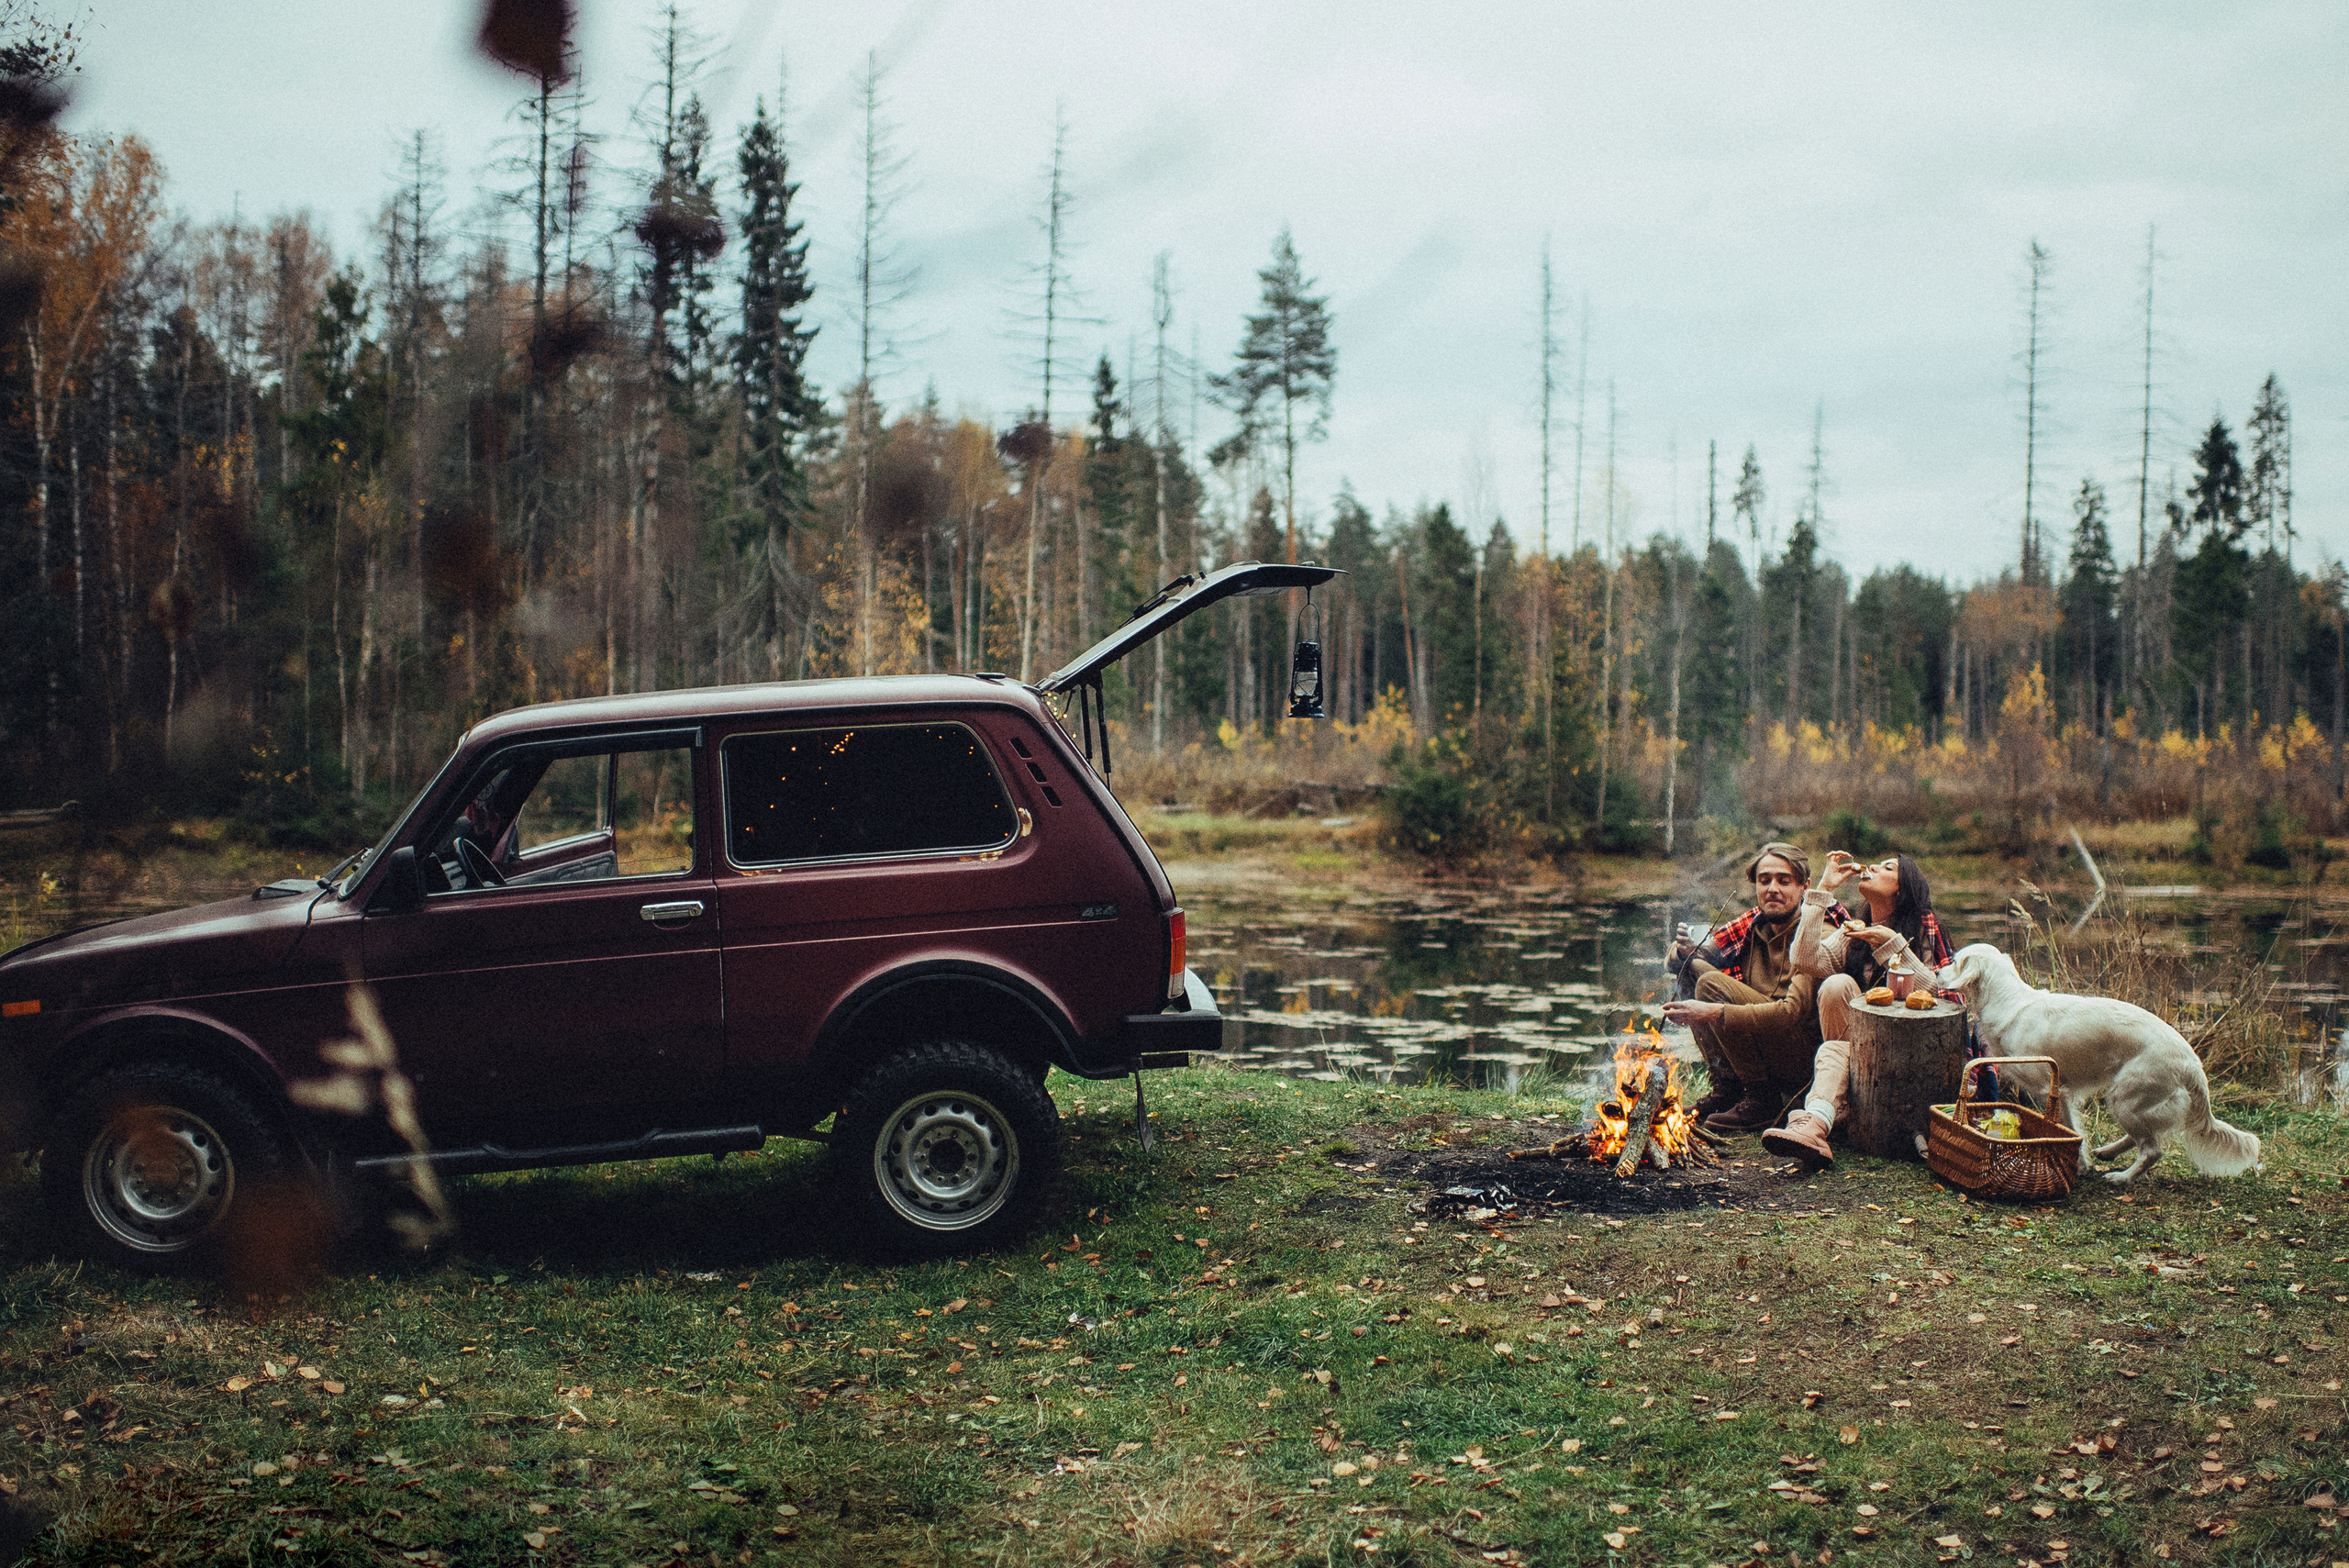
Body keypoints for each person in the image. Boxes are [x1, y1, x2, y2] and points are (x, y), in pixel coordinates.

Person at [1760, 851, 1956, 1166]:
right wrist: (1823, 890)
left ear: (1902, 888)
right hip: (1860, 1057)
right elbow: (1804, 960)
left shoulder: (1927, 927)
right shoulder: (1857, 929)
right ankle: (1826, 1117)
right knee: (1837, 985)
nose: (1873, 867)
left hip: (1909, 1054)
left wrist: (1892, 944)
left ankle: (1817, 1118)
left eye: (1887, 867)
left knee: (1836, 1045)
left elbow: (1944, 997)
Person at [1661, 841, 1844, 1132]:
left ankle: (1762, 1100)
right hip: (1762, 1039)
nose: (1772, 888)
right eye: (1764, 880)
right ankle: (1728, 1089)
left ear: (1804, 887)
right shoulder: (1751, 927)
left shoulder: (1817, 932)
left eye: (1784, 881)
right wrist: (1685, 950)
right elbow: (1680, 962)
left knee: (1710, 984)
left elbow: (1790, 1014)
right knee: (1693, 969)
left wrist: (1715, 1012)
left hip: (1801, 1057)